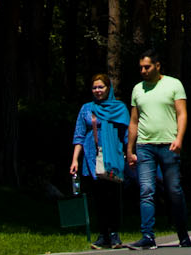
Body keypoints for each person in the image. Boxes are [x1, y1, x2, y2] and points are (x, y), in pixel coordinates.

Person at [126, 50, 191, 249]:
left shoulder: (173, 84)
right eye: (141, 68)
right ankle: (147, 236)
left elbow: (182, 113)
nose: (143, 71)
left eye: (147, 67)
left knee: (174, 190)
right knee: (146, 190)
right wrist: (130, 150)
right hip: (144, 146)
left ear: (157, 66)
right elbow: (134, 121)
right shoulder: (138, 89)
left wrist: (179, 139)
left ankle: (182, 233)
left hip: (168, 145)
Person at [70, 73, 130, 249]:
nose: (97, 90)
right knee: (99, 197)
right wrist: (75, 159)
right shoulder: (86, 109)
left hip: (113, 156)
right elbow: (79, 135)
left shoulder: (119, 108)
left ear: (108, 88)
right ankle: (103, 234)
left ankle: (114, 233)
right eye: (94, 87)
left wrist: (130, 153)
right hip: (92, 157)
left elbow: (127, 134)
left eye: (101, 87)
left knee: (113, 195)